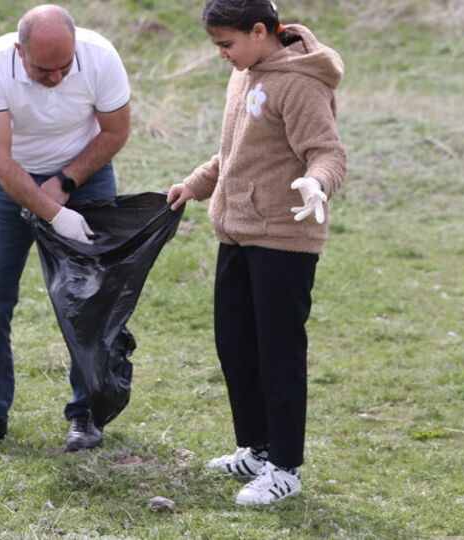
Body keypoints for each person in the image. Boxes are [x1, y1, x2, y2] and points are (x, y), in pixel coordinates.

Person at [0, 4, 131, 452]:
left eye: (64, 67)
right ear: (20, 51)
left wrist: (68, 181)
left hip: (86, 176)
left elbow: (115, 132)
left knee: (90, 298)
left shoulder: (100, 57)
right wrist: (53, 210)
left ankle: (86, 416)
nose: (56, 78)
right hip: (8, 181)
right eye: (43, 69)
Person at [166, 0, 346, 505]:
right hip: (237, 232)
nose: (221, 54)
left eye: (226, 44)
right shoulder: (246, 72)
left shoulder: (301, 82)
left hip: (284, 239)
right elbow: (235, 149)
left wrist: (317, 184)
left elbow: (327, 151)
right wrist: (195, 184)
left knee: (278, 355)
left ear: (261, 31)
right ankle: (257, 448)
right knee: (237, 346)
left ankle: (285, 467)